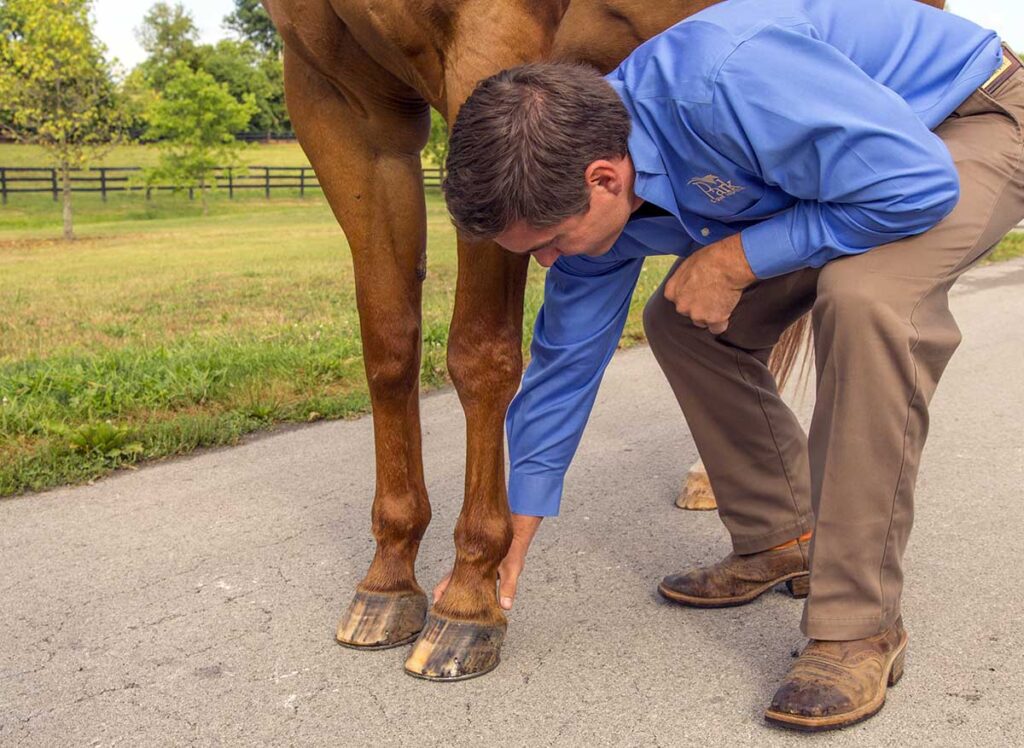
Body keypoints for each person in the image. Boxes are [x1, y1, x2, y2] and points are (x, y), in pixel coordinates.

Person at [437, 0, 1023, 731]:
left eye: (551, 240)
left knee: (866, 298)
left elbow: (915, 186)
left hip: (961, 118)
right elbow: (563, 367)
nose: (548, 261)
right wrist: (509, 530)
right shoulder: (581, 179)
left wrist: (738, 256)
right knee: (683, 322)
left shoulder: (724, 85)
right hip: (848, 159)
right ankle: (783, 536)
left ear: (605, 179)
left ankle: (856, 624)